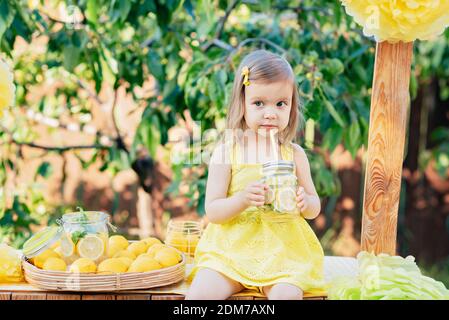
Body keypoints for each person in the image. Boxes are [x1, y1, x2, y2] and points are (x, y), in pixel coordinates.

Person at [185, 50, 325, 300]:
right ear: (243, 104)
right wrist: (242, 199)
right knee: (199, 297)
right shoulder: (227, 151)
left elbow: (314, 207)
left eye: (281, 104)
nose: (270, 113)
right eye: (259, 103)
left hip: (283, 254)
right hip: (231, 253)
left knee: (286, 296)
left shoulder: (294, 154)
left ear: (292, 107)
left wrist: (306, 202)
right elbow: (213, 211)